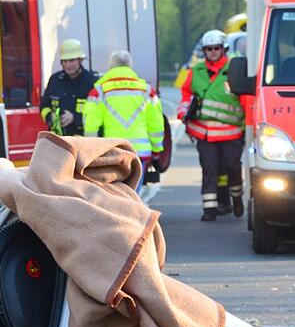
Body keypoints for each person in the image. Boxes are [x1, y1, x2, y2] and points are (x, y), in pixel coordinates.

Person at [177, 29, 246, 221]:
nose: (213, 52)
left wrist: (248, 126)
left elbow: (245, 99)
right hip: (204, 132)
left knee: (232, 167)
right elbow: (186, 95)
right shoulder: (196, 72)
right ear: (204, 51)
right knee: (209, 168)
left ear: (223, 49)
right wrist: (183, 112)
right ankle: (209, 209)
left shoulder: (235, 69)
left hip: (231, 132)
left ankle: (237, 197)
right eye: (209, 49)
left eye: (216, 48)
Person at [83, 50, 164, 181]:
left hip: (112, 152)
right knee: (134, 194)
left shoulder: (99, 91)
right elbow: (156, 125)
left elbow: (90, 124)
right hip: (139, 152)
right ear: (130, 67)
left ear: (110, 67)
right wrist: (156, 150)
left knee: (116, 195)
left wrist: (92, 152)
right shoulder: (147, 91)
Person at [40, 39, 98, 136]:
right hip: (57, 141)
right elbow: (44, 106)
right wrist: (51, 117)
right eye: (64, 61)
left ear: (80, 60)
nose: (68, 65)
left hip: (82, 141)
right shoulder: (55, 80)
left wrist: (74, 118)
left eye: (71, 60)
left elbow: (98, 114)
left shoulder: (91, 82)